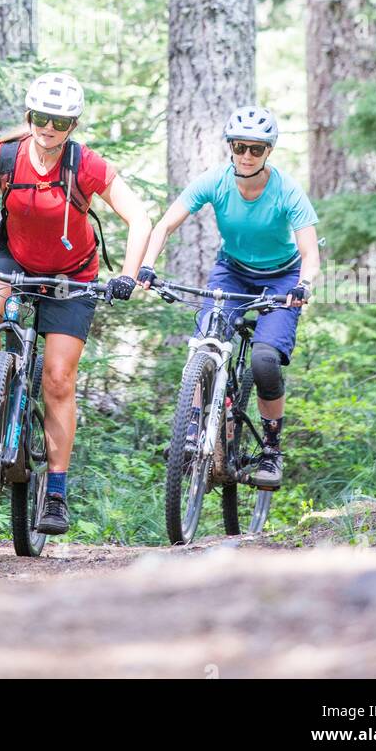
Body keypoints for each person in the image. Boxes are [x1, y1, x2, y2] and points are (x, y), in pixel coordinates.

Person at [0, 71, 151, 535]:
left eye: (59, 120)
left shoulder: (86, 165)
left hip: (72, 274)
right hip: (16, 259)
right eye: (41, 117)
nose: (48, 128)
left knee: (58, 379)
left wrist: (128, 274)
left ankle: (55, 490)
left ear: (72, 126)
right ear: (28, 116)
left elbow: (138, 217)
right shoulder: (5, 157)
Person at [137, 105, 320, 488]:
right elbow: (166, 224)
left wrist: (303, 286)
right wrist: (147, 266)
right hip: (233, 271)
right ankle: (190, 429)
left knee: (266, 361)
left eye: (256, 148)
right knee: (205, 343)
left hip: (282, 278)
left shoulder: (286, 190)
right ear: (230, 147)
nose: (246, 155)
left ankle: (271, 450)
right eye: (239, 147)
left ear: (269, 151)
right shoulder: (215, 181)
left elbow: (310, 253)